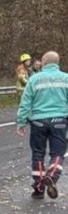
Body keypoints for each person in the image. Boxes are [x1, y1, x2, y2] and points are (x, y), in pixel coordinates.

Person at [15, 51, 68, 199]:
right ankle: (51, 175)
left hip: (38, 121)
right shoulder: (66, 79)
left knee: (38, 154)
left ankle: (38, 188)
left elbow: (25, 102)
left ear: (43, 62)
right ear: (57, 63)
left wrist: (21, 122)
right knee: (58, 152)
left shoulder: (34, 79)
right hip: (59, 121)